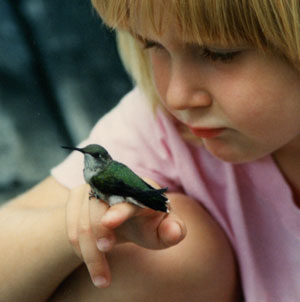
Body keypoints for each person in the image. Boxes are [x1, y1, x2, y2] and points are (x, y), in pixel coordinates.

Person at [2, 0, 300, 301]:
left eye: (220, 53)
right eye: (152, 45)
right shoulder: (167, 126)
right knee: (176, 250)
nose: (177, 95)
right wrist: (85, 227)